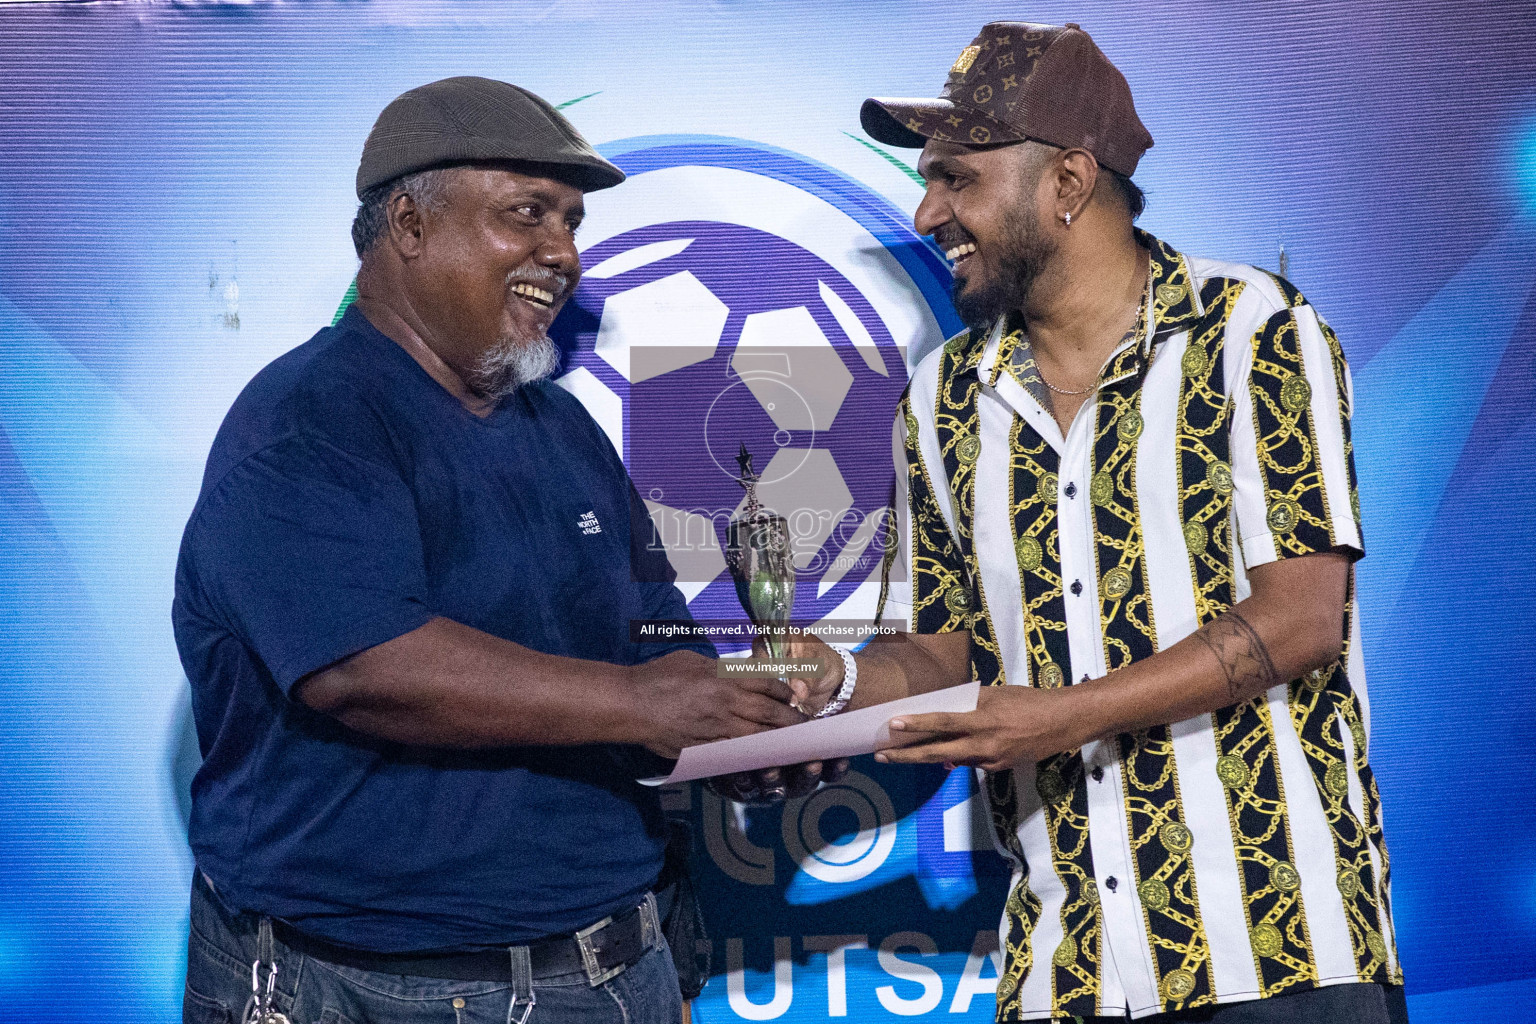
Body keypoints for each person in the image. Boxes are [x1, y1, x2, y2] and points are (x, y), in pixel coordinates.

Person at [780, 21, 1408, 1023]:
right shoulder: (941, 400)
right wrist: (838, 683)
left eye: (958, 178)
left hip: (1278, 955)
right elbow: (946, 651)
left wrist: (1059, 716)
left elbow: (1300, 619)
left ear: (1068, 182)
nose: (927, 208)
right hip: (1066, 972)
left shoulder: (1252, 331)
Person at [172, 76, 810, 1024]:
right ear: (409, 224)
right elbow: (364, 667)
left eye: (572, 223)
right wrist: (644, 701)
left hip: (612, 969)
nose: (563, 253)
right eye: (528, 215)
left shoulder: (562, 428)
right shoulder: (310, 418)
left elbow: (654, 650)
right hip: (365, 987)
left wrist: (740, 729)